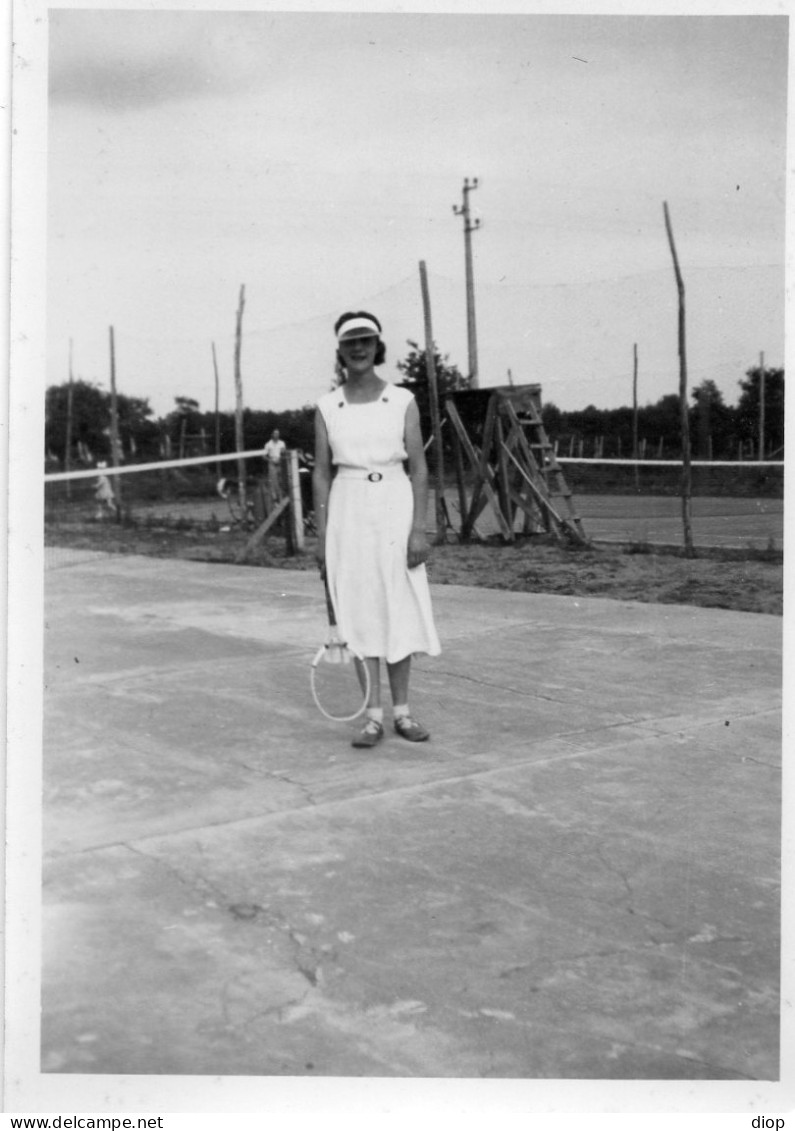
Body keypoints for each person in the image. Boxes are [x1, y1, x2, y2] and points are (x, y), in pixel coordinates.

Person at [313, 311, 441, 748]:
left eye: (366, 340)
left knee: (397, 608)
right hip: (348, 510)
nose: (359, 348)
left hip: (394, 503)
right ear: (341, 350)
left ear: (377, 346)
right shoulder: (328, 406)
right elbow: (321, 475)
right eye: (350, 341)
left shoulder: (402, 400)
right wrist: (322, 536)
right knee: (358, 613)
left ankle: (402, 714)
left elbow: (420, 469)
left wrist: (418, 530)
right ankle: (372, 717)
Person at [262, 428, 287, 505]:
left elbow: (284, 453)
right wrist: (271, 460)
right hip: (272, 464)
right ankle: (275, 499)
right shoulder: (268, 444)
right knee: (273, 482)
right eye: (275, 433)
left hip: (280, 464)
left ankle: (281, 498)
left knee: (281, 481)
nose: (277, 435)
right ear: (272, 435)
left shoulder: (282, 443)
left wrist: (283, 453)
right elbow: (263, 456)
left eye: (278, 433)